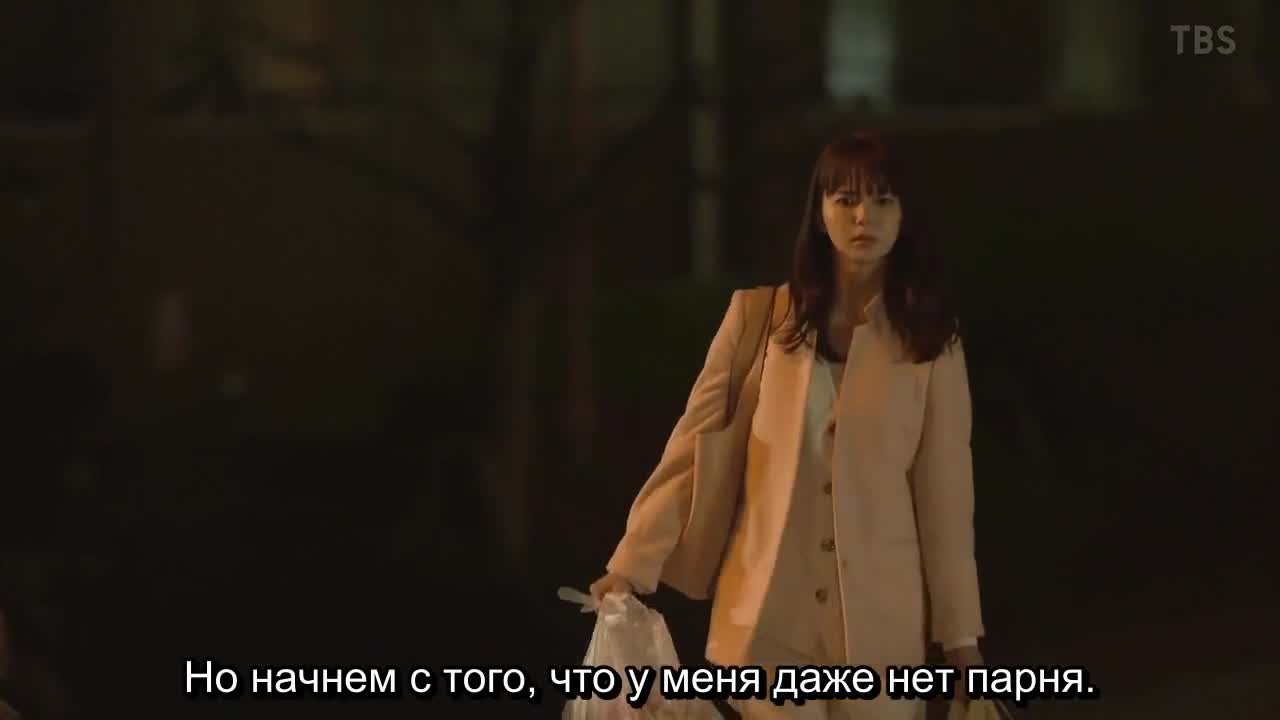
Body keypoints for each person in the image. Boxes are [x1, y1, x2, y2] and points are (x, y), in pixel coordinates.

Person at [589, 131, 985, 720]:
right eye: (845, 199)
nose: (863, 216)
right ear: (820, 213)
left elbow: (946, 505)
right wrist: (630, 564)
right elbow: (691, 451)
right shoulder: (759, 319)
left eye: (883, 199)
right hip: (768, 619)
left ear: (905, 216)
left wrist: (961, 640)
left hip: (882, 635)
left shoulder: (930, 344)